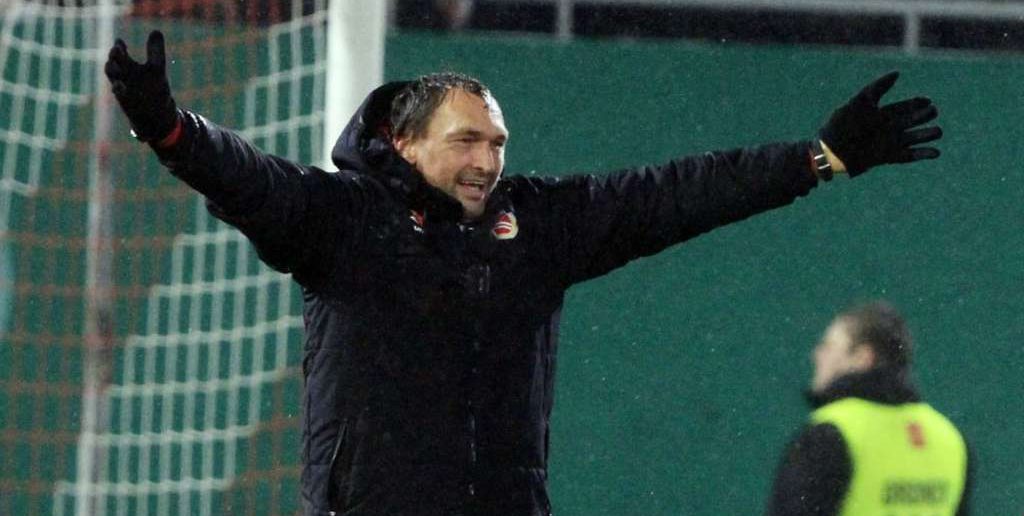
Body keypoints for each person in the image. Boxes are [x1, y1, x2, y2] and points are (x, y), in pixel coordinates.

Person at [105, 30, 942, 516]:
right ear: (404, 142)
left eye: (497, 142)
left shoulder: (536, 224)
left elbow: (676, 193)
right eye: (466, 140)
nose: (487, 160)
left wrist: (815, 159)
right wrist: (170, 127)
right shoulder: (345, 219)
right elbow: (247, 178)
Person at [767, 301, 973, 516]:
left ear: (862, 358)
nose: (817, 355)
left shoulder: (829, 436)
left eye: (828, 346)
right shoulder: (951, 440)